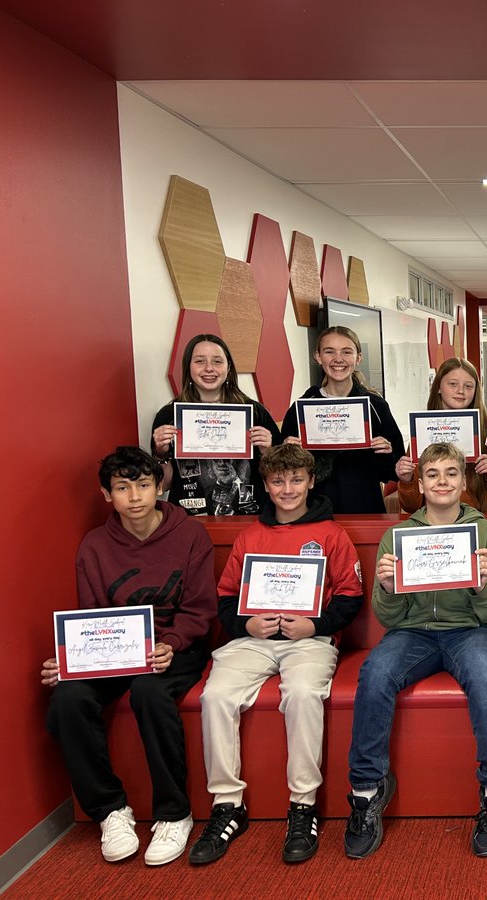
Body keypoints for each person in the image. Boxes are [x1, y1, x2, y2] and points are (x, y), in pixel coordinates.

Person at [189, 444, 363, 866]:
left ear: (311, 481)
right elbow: (227, 598)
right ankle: (227, 805)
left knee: (303, 694)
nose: (288, 489)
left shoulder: (331, 534)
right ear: (266, 485)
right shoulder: (250, 536)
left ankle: (302, 806)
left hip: (308, 641)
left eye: (296, 480)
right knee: (215, 697)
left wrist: (316, 625)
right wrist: (246, 624)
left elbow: (350, 596)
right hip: (254, 640)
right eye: (279, 481)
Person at [42, 447, 215, 865]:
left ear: (159, 487)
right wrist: (70, 662)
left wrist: (170, 643)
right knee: (67, 697)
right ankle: (110, 810)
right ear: (107, 495)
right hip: (116, 652)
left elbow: (200, 610)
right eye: (122, 487)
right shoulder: (95, 546)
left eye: (142, 485)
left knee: (148, 691)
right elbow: (92, 618)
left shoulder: (190, 534)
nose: (134, 496)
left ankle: (174, 813)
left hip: (176, 649)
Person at [346, 442, 487, 859]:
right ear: (419, 483)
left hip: (471, 631)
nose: (442, 482)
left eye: (451, 474)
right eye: (433, 474)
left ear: (463, 481)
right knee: (375, 672)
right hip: (413, 633)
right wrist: (386, 588)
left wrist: (482, 586)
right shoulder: (398, 535)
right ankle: (366, 792)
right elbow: (387, 617)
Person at [150, 334, 281, 515]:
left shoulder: (255, 412)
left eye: (217, 361)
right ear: (188, 367)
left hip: (250, 517)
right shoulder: (169, 416)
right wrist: (160, 452)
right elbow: (163, 485)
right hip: (189, 520)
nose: (209, 368)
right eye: (199, 361)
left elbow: (280, 479)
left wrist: (268, 451)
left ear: (228, 367)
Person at [281, 325, 406, 513]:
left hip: (365, 508)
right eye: (329, 351)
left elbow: (395, 471)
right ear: (318, 357)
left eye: (346, 352)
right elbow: (282, 471)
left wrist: (386, 453)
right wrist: (288, 450)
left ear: (358, 358)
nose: (338, 359)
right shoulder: (302, 408)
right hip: (313, 511)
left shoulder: (376, 406)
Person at [395, 356, 487, 514]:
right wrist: (407, 480)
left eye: (468, 386)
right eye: (453, 384)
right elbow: (410, 507)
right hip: (440, 524)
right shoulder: (423, 431)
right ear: (438, 387)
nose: (461, 391)